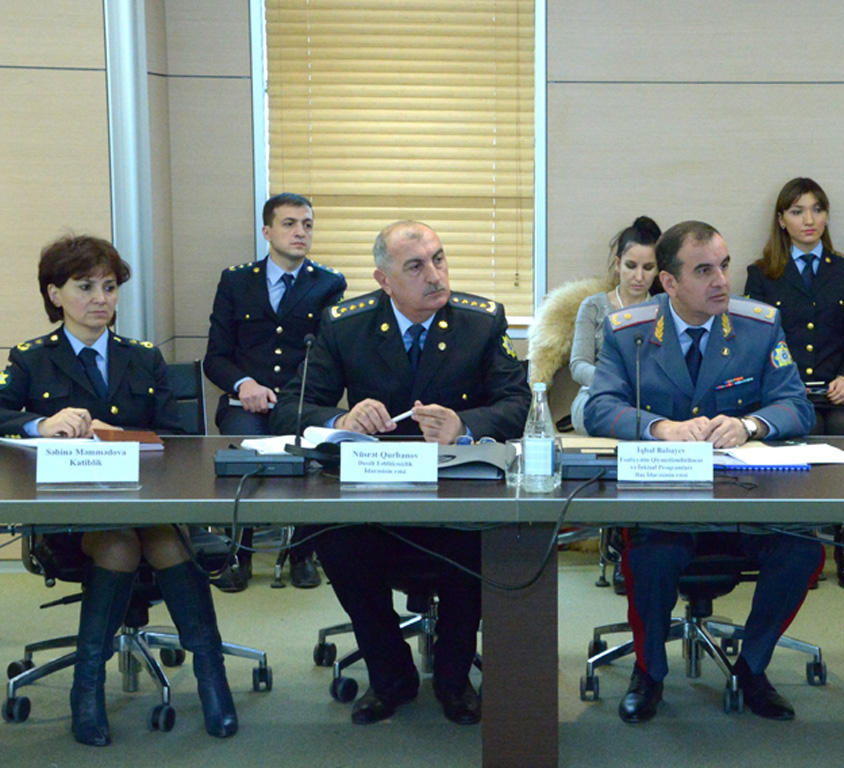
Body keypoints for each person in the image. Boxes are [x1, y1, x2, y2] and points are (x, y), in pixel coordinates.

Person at [270, 220, 529, 726]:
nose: (435, 275)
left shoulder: (480, 321)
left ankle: (454, 679)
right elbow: (289, 410)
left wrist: (465, 425)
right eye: (415, 266)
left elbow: (518, 404)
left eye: (439, 259)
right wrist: (340, 420)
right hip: (376, 493)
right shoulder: (345, 324)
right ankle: (390, 675)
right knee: (334, 539)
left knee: (476, 540)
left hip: (455, 490)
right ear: (383, 280)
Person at [0, 235, 237, 745]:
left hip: (146, 500)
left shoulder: (143, 357)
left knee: (164, 537)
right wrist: (41, 425)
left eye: (108, 287)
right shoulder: (31, 359)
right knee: (118, 542)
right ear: (55, 294)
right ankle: (87, 689)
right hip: (71, 514)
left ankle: (212, 677)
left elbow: (176, 438)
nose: (100, 299)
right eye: (85, 287)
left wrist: (119, 435)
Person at [584, 220, 822, 724]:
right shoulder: (629, 332)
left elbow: (797, 406)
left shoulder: (760, 326)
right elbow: (599, 407)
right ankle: (649, 672)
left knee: (802, 550)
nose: (721, 281)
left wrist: (749, 424)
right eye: (704, 270)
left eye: (724, 266)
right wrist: (660, 428)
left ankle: (752, 667)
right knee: (651, 558)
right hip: (668, 500)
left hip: (745, 498)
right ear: (669, 282)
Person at [203, 192, 346, 591]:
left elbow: (329, 356)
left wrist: (300, 398)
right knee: (242, 458)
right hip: (245, 403)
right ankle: (239, 554)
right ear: (267, 231)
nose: (301, 232)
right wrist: (243, 384)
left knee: (312, 461)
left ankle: (302, 553)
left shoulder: (328, 283)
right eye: (289, 224)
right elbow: (215, 357)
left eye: (307, 225)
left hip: (301, 403)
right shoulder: (236, 281)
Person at [745, 177, 844, 589]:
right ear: (782, 220)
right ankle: (803, 545)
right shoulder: (762, 275)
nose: (809, 219)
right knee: (804, 431)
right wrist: (785, 384)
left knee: (841, 430)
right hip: (786, 394)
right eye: (797, 211)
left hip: (836, 393)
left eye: (817, 209)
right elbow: (753, 344)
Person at [568, 216, 661, 434]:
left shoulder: (663, 309)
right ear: (618, 264)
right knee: (588, 414)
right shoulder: (593, 306)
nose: (639, 276)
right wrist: (614, 381)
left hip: (649, 399)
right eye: (631, 266)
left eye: (648, 267)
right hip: (599, 392)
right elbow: (578, 365)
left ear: (658, 270)